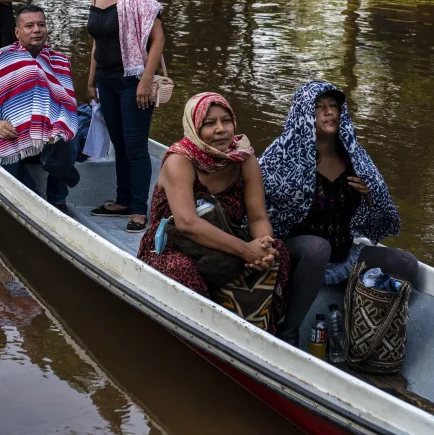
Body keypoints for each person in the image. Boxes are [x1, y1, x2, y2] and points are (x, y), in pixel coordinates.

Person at [259, 81, 418, 343]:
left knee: (407, 264)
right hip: (298, 252)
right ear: (303, 115)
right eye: (319, 107)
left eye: (333, 106)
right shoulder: (283, 154)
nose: (329, 112)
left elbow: (381, 218)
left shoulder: (355, 158)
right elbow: (259, 207)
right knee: (318, 248)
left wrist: (370, 196)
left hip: (343, 255)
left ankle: (365, 330)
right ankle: (287, 332)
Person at [137, 92, 290, 333]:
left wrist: (262, 246)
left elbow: (258, 217)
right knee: (181, 268)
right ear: (194, 127)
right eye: (209, 123)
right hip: (174, 248)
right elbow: (187, 223)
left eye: (226, 121)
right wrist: (245, 250)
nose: (221, 129)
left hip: (226, 241)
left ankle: (263, 331)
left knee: (277, 252)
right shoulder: (180, 161)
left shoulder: (244, 160)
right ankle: (207, 331)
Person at [86, 0, 165, 232]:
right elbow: (97, 43)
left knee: (135, 148)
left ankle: (138, 210)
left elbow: (158, 39)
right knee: (119, 146)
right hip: (107, 83)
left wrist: (145, 79)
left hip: (133, 82)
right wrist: (91, 80)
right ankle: (121, 200)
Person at [0, 4, 79, 211]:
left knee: (70, 132)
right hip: (11, 133)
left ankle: (58, 200)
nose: (36, 30)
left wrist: (60, 125)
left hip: (48, 139)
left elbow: (67, 105)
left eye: (41, 24)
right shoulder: (0, 58)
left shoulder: (60, 61)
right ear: (17, 32)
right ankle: (30, 195)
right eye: (29, 26)